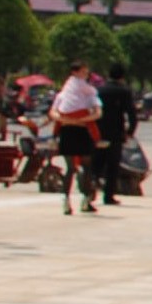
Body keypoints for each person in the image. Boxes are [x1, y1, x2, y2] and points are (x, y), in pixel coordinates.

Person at [47, 60, 102, 216]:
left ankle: (78, 199)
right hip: (76, 131)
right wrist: (76, 120)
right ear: (74, 73)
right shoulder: (69, 94)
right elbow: (53, 112)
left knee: (77, 167)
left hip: (73, 131)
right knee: (79, 167)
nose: (85, 75)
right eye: (83, 72)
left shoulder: (86, 92)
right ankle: (76, 199)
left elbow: (98, 112)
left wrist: (70, 119)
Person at [94, 62, 135, 206]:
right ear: (122, 76)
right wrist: (130, 132)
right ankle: (108, 196)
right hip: (116, 132)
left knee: (97, 163)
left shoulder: (99, 90)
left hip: (98, 131)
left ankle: (91, 190)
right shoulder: (125, 91)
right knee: (113, 165)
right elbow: (131, 114)